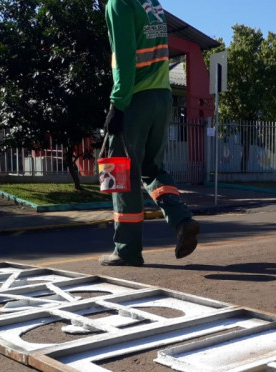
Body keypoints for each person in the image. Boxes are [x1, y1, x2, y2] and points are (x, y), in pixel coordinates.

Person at [99, 0, 199, 267]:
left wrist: (117, 104)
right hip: (162, 97)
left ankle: (127, 250)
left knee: (122, 174)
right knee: (151, 169)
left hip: (135, 99)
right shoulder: (150, 3)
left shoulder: (119, 4)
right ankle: (181, 220)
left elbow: (124, 57)